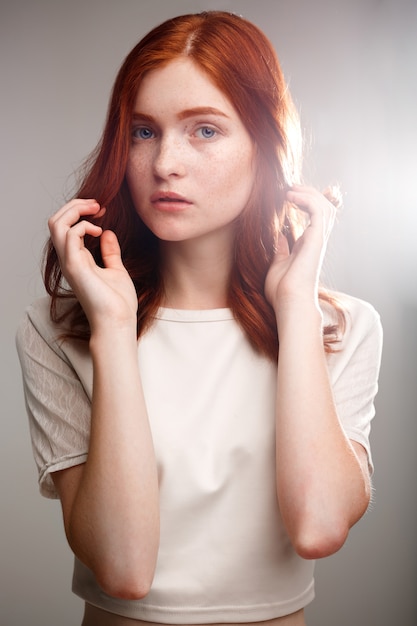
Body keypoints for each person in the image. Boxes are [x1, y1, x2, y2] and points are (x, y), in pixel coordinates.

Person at [16, 10, 382, 626]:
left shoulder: (341, 327)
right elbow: (124, 569)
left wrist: (294, 310)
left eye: (205, 131)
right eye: (143, 132)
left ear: (266, 147)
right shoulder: (60, 328)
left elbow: (318, 526)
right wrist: (112, 331)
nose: (165, 164)